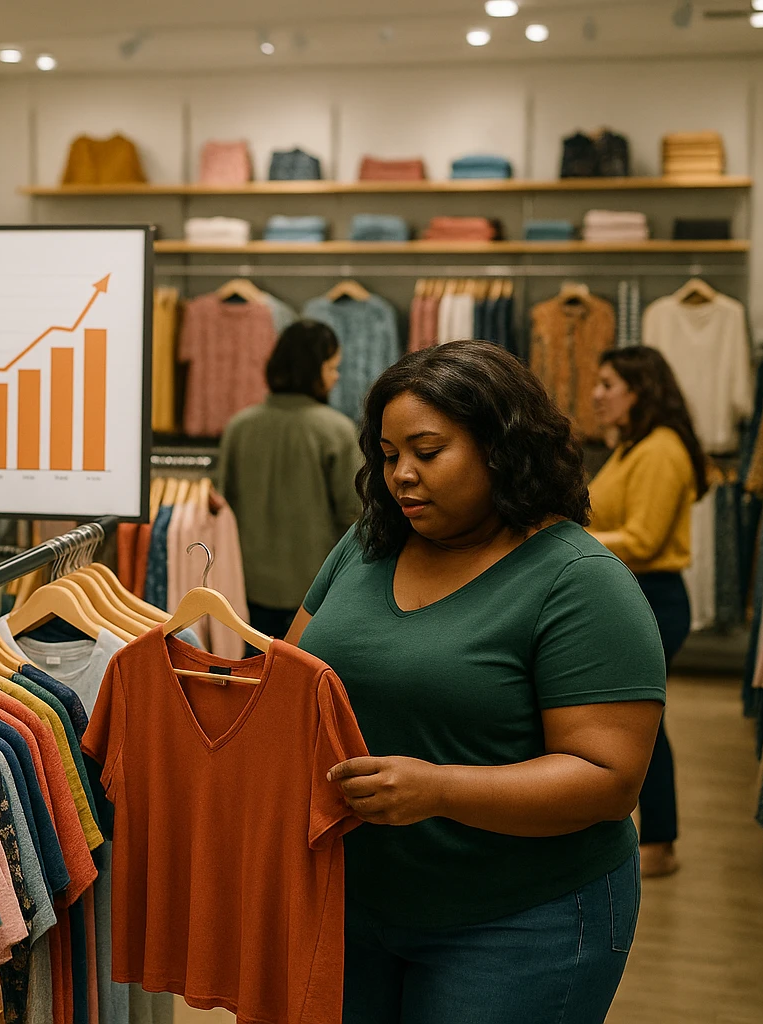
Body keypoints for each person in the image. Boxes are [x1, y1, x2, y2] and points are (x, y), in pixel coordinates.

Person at [285, 342, 665, 1024]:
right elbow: (293, 677)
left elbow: (609, 780)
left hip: (519, 921)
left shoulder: (579, 581)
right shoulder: (367, 545)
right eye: (389, 453)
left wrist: (439, 789)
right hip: (349, 902)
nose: (402, 475)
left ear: (501, 447)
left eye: (427, 453)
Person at [588, 346, 707, 878]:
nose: (596, 393)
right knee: (638, 723)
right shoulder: (633, 448)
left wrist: (560, 539)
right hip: (637, 593)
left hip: (653, 595)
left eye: (608, 383)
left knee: (641, 725)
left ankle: (659, 843)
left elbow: (643, 538)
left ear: (640, 391)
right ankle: (656, 838)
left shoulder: (659, 450)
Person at [218, 319, 360, 640]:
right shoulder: (335, 430)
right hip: (315, 589)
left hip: (246, 587)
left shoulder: (239, 426)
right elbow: (353, 513)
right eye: (332, 367)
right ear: (313, 369)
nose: (336, 377)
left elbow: (223, 503)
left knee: (256, 681)